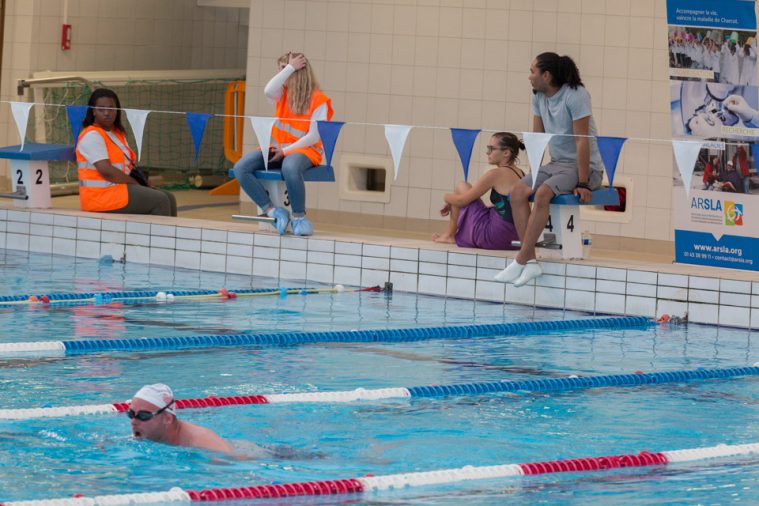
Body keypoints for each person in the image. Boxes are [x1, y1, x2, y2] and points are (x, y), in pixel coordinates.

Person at [494, 53, 604, 287]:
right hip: (556, 165)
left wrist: (584, 182)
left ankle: (520, 259)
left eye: (532, 71)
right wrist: (534, 174)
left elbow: (581, 141)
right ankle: (531, 263)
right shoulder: (539, 97)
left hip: (584, 167)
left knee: (543, 193)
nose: (529, 76)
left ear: (547, 75)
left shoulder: (575, 95)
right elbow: (537, 140)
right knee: (517, 192)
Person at [233, 52, 334, 236]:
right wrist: (289, 68)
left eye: (284, 70)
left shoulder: (320, 100)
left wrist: (286, 151)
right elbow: (268, 90)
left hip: (305, 151)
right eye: (281, 70)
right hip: (277, 148)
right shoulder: (281, 94)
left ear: (297, 72)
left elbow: (312, 137)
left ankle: (299, 217)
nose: (281, 75)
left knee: (290, 167)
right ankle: (272, 211)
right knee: (241, 168)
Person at [76, 88, 176, 216]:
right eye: (101, 109)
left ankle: (171, 236)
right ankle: (160, 235)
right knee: (160, 200)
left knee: (169, 197)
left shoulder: (117, 134)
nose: (107, 113)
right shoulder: (92, 135)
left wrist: (142, 182)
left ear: (117, 110)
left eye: (111, 108)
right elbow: (106, 171)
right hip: (101, 196)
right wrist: (135, 183)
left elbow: (127, 166)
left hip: (118, 188)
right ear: (93, 111)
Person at [432, 132, 525, 249]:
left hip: (495, 237)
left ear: (506, 153)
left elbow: (461, 201)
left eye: (492, 149)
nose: (487, 152)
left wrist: (447, 197)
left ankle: (449, 235)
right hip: (516, 237)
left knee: (462, 186)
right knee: (463, 194)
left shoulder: (496, 174)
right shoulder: (520, 173)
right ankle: (449, 235)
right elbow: (508, 208)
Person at [128, 383, 235, 455]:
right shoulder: (144, 432)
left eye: (143, 416)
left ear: (167, 419)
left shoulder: (204, 443)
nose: (133, 421)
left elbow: (237, 464)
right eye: (131, 414)